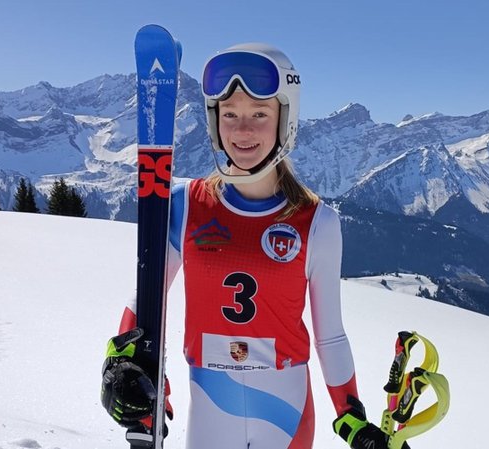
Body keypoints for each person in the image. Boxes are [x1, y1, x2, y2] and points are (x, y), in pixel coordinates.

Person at [102, 42, 405, 449]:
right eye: (230, 115)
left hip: (288, 411)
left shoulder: (318, 222)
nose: (242, 130)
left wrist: (352, 417)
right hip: (210, 405)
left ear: (285, 119)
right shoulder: (184, 206)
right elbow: (146, 297)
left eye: (259, 114)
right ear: (214, 121)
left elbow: (329, 334)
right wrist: (121, 359)